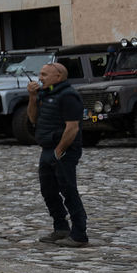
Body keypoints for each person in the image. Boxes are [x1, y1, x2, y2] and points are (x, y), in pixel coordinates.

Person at [27, 61, 88, 247]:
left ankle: (79, 235)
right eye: (40, 74)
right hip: (47, 148)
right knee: (49, 191)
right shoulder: (45, 94)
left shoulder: (68, 96)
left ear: (59, 76)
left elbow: (72, 128)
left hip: (64, 150)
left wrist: (59, 151)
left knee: (68, 190)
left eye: (45, 75)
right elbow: (32, 118)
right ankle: (61, 227)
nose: (40, 78)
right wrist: (32, 97)